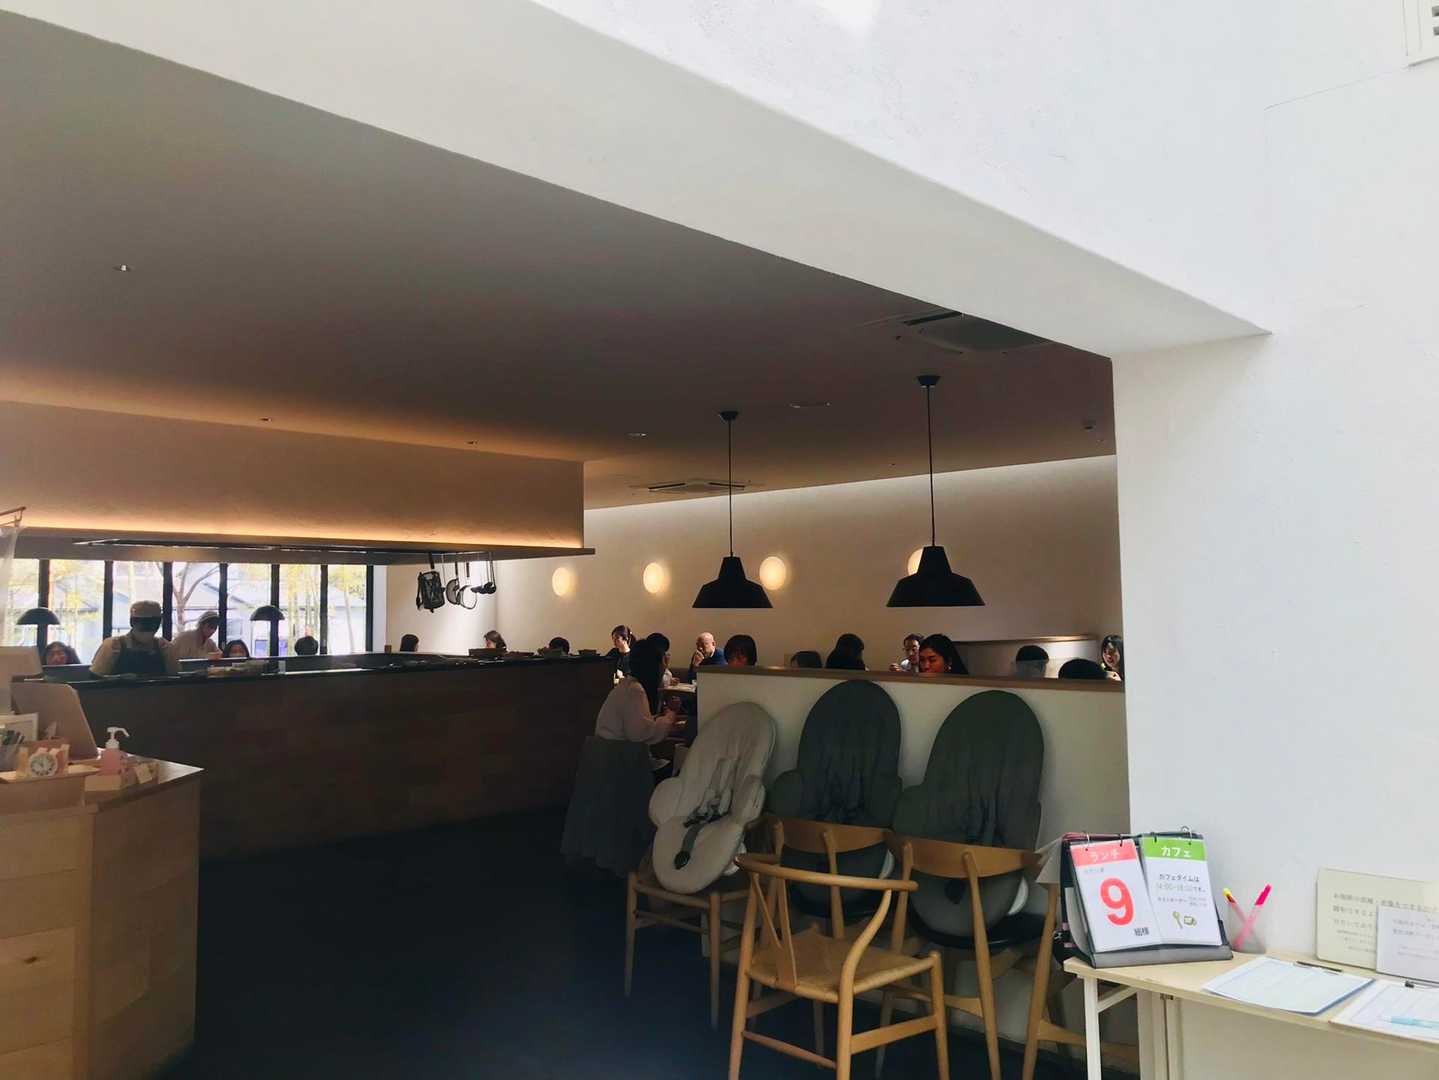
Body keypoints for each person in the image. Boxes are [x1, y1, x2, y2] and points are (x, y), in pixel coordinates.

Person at [594, 639, 677, 744]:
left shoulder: (628, 686)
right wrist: (670, 716)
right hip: (615, 752)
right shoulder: (634, 690)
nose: (664, 667)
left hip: (610, 749)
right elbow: (642, 734)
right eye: (663, 662)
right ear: (654, 667)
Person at [90, 600, 179, 676]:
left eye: (153, 622)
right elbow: (95, 680)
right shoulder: (112, 646)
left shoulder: (164, 647)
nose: (147, 627)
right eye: (143, 622)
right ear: (132, 622)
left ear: (159, 623)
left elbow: (174, 681)